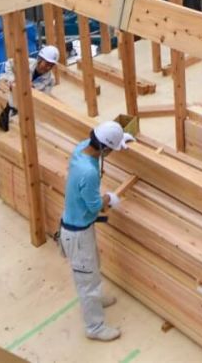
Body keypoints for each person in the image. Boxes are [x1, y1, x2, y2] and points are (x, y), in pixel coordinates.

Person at [60, 120, 134, 342]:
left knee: (93, 267)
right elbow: (95, 206)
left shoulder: (82, 147)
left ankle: (96, 298)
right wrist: (109, 198)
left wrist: (122, 138)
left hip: (79, 226)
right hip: (77, 234)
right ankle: (95, 327)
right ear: (104, 148)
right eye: (112, 148)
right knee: (86, 282)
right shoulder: (89, 173)